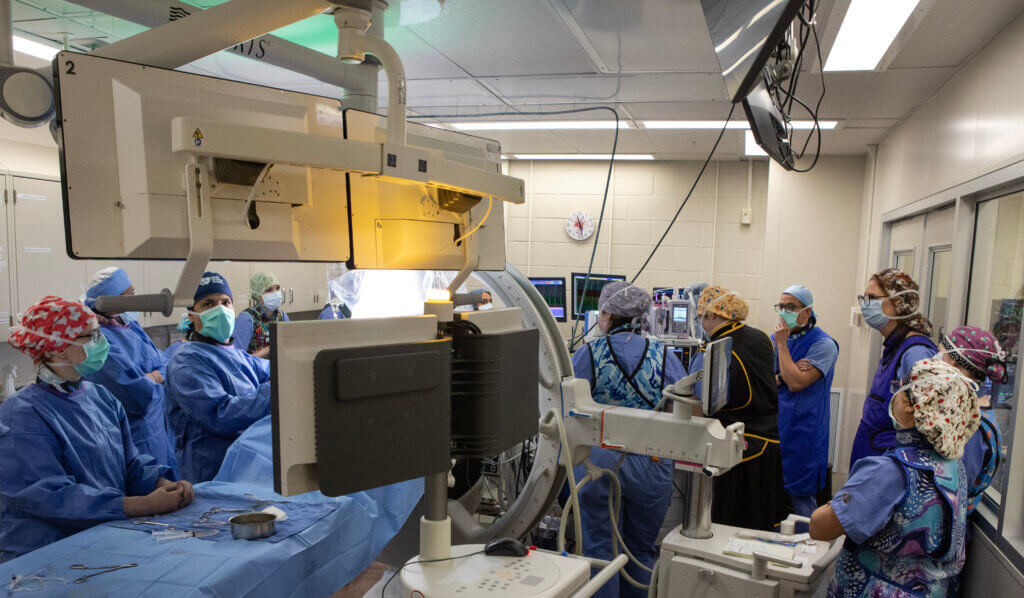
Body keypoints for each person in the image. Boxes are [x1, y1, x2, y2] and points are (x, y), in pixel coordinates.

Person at [0, 297, 194, 562]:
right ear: (58, 349)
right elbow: (50, 496)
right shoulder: (21, 415)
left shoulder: (102, 398)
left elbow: (130, 464)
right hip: (46, 553)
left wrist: (162, 484)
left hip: (104, 538)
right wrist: (141, 505)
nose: (102, 343)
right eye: (91, 336)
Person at [810, 359, 978, 597]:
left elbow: (820, 527)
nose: (894, 396)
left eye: (897, 389)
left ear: (911, 405)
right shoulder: (952, 466)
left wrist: (838, 502)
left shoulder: (890, 471)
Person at [571, 281, 685, 598]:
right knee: (641, 549)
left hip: (600, 463)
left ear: (606, 314)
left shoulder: (589, 354)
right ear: (642, 316)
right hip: (652, 465)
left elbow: (570, 409)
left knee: (599, 549)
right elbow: (682, 408)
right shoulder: (664, 356)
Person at [690, 285, 787, 531]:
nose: (701, 321)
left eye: (701, 315)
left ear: (712, 315)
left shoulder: (711, 352)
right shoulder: (763, 338)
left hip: (736, 450)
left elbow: (699, 405)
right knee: (759, 526)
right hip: (769, 444)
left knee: (730, 529)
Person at [165, 272, 272, 482]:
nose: (220, 309)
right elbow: (221, 414)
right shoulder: (187, 363)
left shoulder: (236, 355)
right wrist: (276, 390)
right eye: (208, 304)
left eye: (226, 302)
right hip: (211, 471)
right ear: (191, 316)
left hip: (247, 466)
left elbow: (276, 371)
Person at [82, 267, 177, 475]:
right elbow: (138, 395)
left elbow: (165, 363)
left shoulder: (129, 325)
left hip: (158, 433)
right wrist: (153, 379)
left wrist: (152, 376)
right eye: (130, 295)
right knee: (150, 492)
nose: (136, 300)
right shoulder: (97, 341)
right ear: (112, 299)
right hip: (135, 439)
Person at [850, 268, 936, 467]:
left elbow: (925, 420)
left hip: (891, 459)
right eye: (864, 297)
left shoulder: (915, 353)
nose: (865, 304)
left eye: (872, 297)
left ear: (897, 303)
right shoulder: (893, 345)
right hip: (874, 452)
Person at [771, 285, 839, 518]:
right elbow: (767, 380)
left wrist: (782, 346)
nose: (784, 312)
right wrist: (783, 374)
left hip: (804, 430)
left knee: (800, 498)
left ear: (807, 312)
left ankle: (808, 548)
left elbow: (796, 383)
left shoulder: (823, 345)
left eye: (790, 307)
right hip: (776, 426)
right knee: (773, 494)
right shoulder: (773, 339)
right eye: (781, 306)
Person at [935, 326, 1006, 514]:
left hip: (945, 519)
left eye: (940, 353)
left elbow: (954, 486)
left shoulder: (972, 424)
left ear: (952, 361)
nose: (936, 360)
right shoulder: (964, 409)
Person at [233, 271, 289, 358]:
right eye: (269, 290)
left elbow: (290, 347)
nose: (275, 293)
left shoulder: (282, 316)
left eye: (277, 288)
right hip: (255, 371)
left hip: (279, 369)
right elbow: (238, 359)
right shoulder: (246, 319)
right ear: (258, 294)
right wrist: (269, 349)